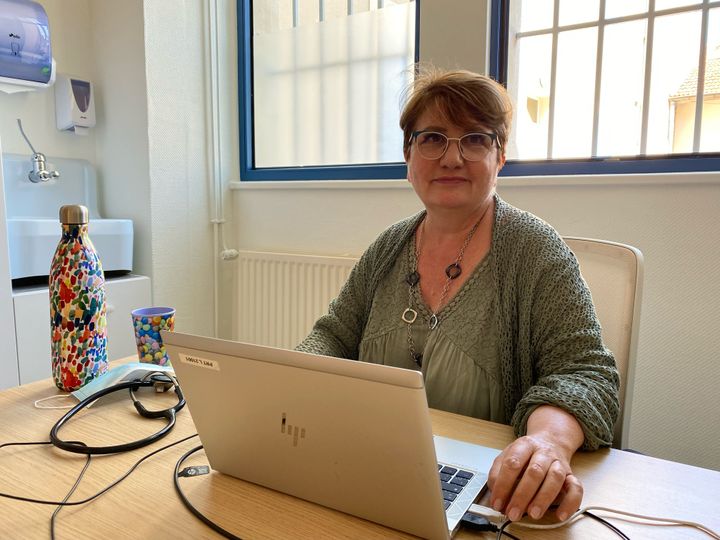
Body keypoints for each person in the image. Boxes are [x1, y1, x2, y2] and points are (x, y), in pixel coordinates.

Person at [296, 66, 619, 524]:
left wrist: (547, 443)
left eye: (474, 139)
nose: (451, 158)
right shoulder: (388, 248)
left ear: (499, 155)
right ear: (409, 156)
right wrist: (290, 387)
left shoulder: (536, 251)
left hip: (491, 495)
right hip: (373, 468)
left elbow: (586, 372)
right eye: (432, 138)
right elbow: (332, 337)